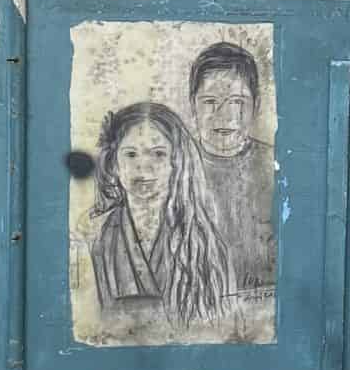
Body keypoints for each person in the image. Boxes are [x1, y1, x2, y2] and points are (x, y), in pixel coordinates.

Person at [89, 101, 235, 327]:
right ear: (114, 164)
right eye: (131, 154)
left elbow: (225, 326)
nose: (143, 167)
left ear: (176, 162)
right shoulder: (93, 239)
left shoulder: (207, 245)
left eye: (158, 154)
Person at [187, 41, 275, 288]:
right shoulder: (175, 166)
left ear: (255, 106)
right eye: (210, 101)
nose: (223, 115)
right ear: (192, 105)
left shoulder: (275, 165)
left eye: (237, 102)